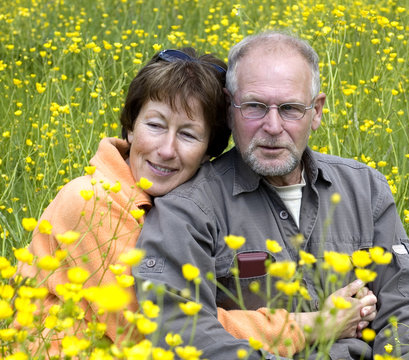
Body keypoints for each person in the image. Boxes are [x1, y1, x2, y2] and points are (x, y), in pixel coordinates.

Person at [17, 47, 358, 358]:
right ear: (130, 128)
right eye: (154, 125)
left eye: (188, 134)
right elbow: (157, 335)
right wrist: (309, 325)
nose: (166, 149)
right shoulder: (91, 201)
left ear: (210, 150)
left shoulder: (190, 209)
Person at [135, 30, 409, 360]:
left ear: (317, 111)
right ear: (228, 109)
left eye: (291, 108)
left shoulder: (365, 189)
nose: (273, 126)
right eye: (255, 106)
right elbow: (182, 334)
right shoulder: (187, 211)